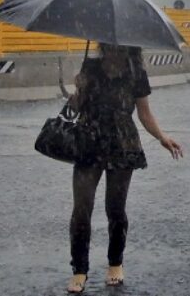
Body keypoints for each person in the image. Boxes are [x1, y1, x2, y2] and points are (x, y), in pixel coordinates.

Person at [65, 44, 183, 293]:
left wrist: (162, 138)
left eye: (121, 48)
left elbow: (144, 113)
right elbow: (76, 106)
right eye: (111, 47)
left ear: (129, 49)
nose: (115, 51)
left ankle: (115, 263)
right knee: (81, 209)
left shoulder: (136, 72)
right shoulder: (91, 66)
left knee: (115, 208)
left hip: (123, 144)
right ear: (105, 46)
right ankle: (79, 269)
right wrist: (77, 88)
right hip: (89, 142)